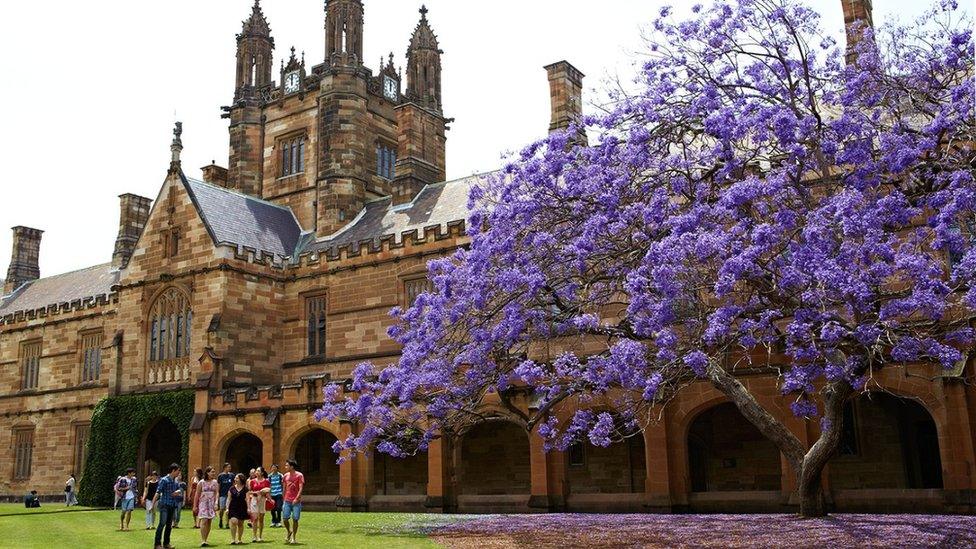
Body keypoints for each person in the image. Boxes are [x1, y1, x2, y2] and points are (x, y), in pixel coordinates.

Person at [153, 463, 184, 549]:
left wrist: (177, 492)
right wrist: (153, 504)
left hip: (172, 505)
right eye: (178, 471)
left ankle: (166, 543)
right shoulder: (164, 480)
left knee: (169, 525)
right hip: (164, 505)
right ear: (173, 470)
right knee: (162, 523)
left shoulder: (176, 481)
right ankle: (157, 544)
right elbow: (158, 492)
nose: (179, 473)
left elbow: (180, 489)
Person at [194, 466, 219, 547]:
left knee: (209, 521)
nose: (213, 473)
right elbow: (197, 495)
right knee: (204, 520)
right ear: (207, 473)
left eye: (214, 472)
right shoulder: (201, 482)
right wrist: (195, 506)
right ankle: (203, 540)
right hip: (203, 503)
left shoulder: (215, 482)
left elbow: (217, 493)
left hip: (211, 503)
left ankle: (206, 539)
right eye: (212, 472)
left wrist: (216, 503)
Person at [282, 459, 305, 545]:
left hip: (296, 501)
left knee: (295, 519)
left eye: (287, 465)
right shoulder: (285, 476)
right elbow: (284, 488)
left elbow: (301, 488)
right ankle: (289, 531)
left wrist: (297, 498)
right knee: (285, 519)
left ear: (292, 466)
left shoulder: (299, 475)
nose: (285, 467)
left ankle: (293, 538)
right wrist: (284, 498)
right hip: (287, 501)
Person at [248, 467, 271, 543]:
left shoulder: (266, 481)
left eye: (258, 471)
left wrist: (266, 496)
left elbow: (268, 490)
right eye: (256, 471)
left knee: (261, 519)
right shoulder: (252, 481)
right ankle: (254, 536)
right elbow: (249, 492)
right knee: (255, 518)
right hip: (254, 500)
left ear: (262, 473)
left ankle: (260, 536)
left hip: (262, 500)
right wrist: (255, 493)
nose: (256, 472)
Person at [226, 473, 249, 546]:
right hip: (233, 507)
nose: (235, 479)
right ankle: (233, 539)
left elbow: (247, 499)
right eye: (235, 478)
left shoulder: (245, 489)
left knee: (240, 524)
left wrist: (248, 508)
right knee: (234, 521)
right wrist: (227, 508)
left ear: (241, 479)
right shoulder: (231, 488)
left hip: (242, 507)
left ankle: (239, 539)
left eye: (237, 478)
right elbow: (229, 499)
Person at [217, 463, 234, 529]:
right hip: (222, 494)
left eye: (230, 467)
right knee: (221, 509)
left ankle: (227, 523)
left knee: (228, 509)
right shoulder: (220, 476)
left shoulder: (232, 475)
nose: (229, 468)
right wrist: (218, 494)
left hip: (229, 495)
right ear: (224, 468)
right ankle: (221, 519)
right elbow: (219, 486)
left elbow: (233, 485)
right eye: (228, 467)